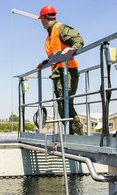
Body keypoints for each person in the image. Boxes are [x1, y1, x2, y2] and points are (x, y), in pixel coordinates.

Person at [37, 5, 84, 135]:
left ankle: (77, 134)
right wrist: (44, 63)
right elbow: (55, 56)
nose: (41, 22)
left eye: (41, 19)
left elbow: (78, 40)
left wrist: (72, 48)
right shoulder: (50, 36)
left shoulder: (60, 29)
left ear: (46, 18)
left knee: (66, 104)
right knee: (62, 105)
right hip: (58, 72)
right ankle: (72, 133)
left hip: (67, 71)